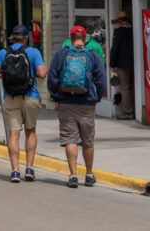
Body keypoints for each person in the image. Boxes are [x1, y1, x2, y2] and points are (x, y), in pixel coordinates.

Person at [48, 25, 108, 188]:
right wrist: (97, 96)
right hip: (87, 103)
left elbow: (52, 78)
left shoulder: (61, 54)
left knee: (70, 139)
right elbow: (101, 79)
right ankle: (89, 174)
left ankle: (73, 175)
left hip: (66, 102)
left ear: (71, 37)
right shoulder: (93, 55)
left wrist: (55, 96)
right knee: (87, 140)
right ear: (85, 38)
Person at [0, 25, 47, 183]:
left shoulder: (3, 53)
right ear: (26, 38)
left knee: (14, 134)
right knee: (30, 131)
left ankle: (15, 171)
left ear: (12, 37)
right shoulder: (33, 52)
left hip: (11, 97)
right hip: (30, 96)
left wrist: (5, 74)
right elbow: (42, 73)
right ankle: (29, 168)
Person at [109, 10, 135, 120]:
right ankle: (135, 109)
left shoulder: (119, 32)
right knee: (132, 86)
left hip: (122, 63)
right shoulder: (133, 29)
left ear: (120, 21)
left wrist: (112, 64)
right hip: (134, 63)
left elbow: (115, 49)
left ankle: (128, 112)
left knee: (124, 87)